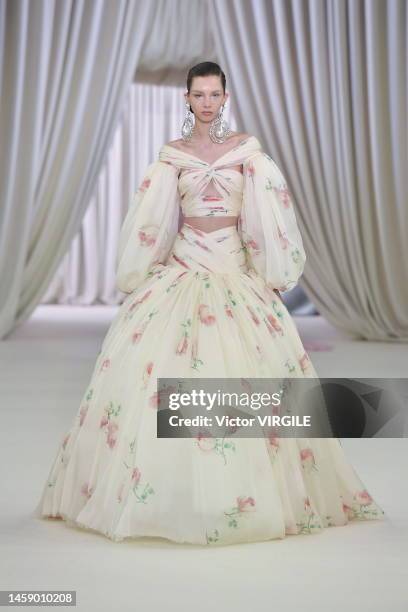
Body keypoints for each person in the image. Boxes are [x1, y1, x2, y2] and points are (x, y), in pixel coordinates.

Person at [32, 62, 385, 546]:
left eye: (213, 94)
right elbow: (150, 219)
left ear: (225, 96)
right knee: (157, 376)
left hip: (234, 271)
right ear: (187, 99)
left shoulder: (248, 155)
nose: (206, 102)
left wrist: (272, 274)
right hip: (183, 267)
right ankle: (162, 496)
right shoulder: (171, 158)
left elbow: (269, 216)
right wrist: (138, 273)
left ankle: (245, 492)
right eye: (198, 94)